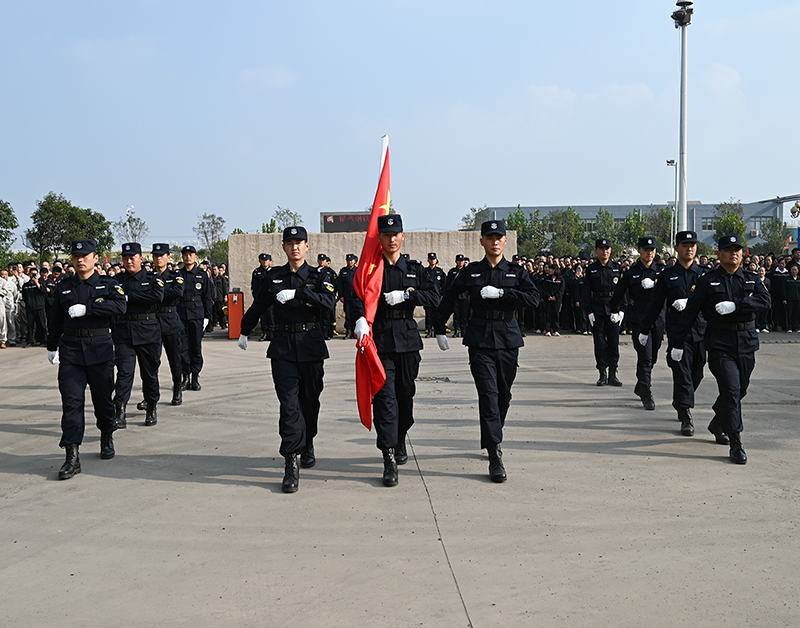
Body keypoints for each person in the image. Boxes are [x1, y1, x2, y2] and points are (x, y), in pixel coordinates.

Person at [435, 219, 539, 482]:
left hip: (508, 339)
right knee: (489, 396)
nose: (494, 242)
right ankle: (494, 452)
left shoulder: (517, 272)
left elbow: (533, 298)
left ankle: (495, 433)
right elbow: (449, 297)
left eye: (498, 237)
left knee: (504, 395)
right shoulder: (471, 272)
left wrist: (503, 294)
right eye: (489, 237)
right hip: (480, 339)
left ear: (505, 241)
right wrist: (439, 328)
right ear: (481, 241)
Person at [238, 226, 336, 493]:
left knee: (310, 402)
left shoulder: (319, 275)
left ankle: (309, 441)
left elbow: (328, 302)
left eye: (299, 243)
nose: (294, 247)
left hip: (311, 346)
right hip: (282, 349)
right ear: (283, 247)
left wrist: (300, 293)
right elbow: (259, 305)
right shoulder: (274, 277)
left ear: (307, 246)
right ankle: (291, 460)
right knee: (289, 406)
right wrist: (244, 330)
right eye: (289, 243)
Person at [353, 215, 440, 487]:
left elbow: (435, 297)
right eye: (386, 234)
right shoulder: (371, 270)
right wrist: (358, 320)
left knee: (405, 398)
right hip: (379, 343)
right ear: (378, 238)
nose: (391, 239)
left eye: (396, 234)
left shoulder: (414, 269)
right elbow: (357, 295)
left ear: (403, 237)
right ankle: (388, 456)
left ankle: (401, 437)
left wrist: (406, 295)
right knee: (385, 401)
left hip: (407, 341)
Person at [670, 235, 770, 463]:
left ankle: (717, 422)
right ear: (719, 253)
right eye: (728, 249)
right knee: (732, 389)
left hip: (746, 343)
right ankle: (736, 442)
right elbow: (690, 312)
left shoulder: (752, 279)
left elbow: (766, 302)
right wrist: (677, 343)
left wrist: (738, 305)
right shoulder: (707, 280)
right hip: (719, 343)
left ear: (742, 253)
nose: (733, 253)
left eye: (737, 249)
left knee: (740, 389)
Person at [46, 239, 127, 480]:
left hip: (100, 350)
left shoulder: (108, 285)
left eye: (85, 255)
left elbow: (120, 307)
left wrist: (88, 309)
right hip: (71, 351)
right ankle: (72, 455)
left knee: (103, 401)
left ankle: (106, 435)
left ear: (95, 258)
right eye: (75, 256)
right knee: (71, 403)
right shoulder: (63, 287)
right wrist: (52, 346)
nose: (80, 259)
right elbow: (56, 320)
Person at [640, 231, 708, 435]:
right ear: (676, 248)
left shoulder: (705, 274)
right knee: (683, 374)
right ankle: (686, 413)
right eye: (685, 245)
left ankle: (680, 400)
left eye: (693, 245)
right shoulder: (667, 276)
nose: (689, 248)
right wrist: (644, 330)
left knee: (697, 373)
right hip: (679, 333)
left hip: (701, 331)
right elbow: (654, 305)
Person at [112, 243, 165, 428]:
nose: (128, 261)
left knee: (149, 373)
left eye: (132, 258)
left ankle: (151, 406)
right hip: (124, 331)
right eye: (125, 258)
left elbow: (157, 296)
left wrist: (128, 297)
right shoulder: (117, 280)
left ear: (141, 259)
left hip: (148, 331)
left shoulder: (152, 278)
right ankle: (120, 410)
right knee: (124, 373)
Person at [610, 236, 664, 410]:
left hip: (658, 317)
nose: (650, 253)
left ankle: (641, 384)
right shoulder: (631, 272)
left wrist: (655, 285)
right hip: (639, 317)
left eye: (652, 250)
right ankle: (646, 391)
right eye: (646, 250)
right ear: (639, 251)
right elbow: (618, 294)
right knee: (645, 356)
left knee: (653, 355)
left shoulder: (662, 271)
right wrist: (615, 311)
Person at [137, 243, 186, 408]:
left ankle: (177, 389)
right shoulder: (147, 276)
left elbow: (178, 292)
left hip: (170, 320)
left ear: (168, 257)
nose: (158, 258)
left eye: (162, 255)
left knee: (175, 359)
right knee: (150, 362)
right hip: (151, 321)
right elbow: (142, 295)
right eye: (155, 255)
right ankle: (149, 396)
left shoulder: (175, 275)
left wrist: (155, 294)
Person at [587, 239, 625, 386]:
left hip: (613, 309)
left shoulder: (616, 268)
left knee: (614, 343)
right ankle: (602, 373)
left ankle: (613, 374)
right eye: (601, 249)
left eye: (607, 248)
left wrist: (622, 309)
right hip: (597, 309)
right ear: (596, 250)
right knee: (600, 343)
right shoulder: (592, 269)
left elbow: (623, 290)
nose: (605, 251)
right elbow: (586, 291)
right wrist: (588, 311)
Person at [178, 245, 212, 391]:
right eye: (185, 254)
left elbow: (207, 296)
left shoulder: (202, 275)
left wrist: (208, 317)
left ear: (196, 257)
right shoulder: (178, 274)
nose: (188, 257)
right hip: (181, 315)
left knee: (196, 348)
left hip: (197, 315)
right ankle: (185, 377)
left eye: (191, 254)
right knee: (183, 348)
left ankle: (195, 378)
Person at [421, 253, 447, 338]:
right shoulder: (424, 271)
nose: (432, 260)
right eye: (430, 259)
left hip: (437, 296)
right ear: (428, 260)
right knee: (428, 314)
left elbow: (444, 284)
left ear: (436, 260)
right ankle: (429, 331)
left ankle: (436, 331)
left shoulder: (440, 271)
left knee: (436, 314)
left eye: (434, 259)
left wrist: (443, 295)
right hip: (428, 295)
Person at [21, 266, 48, 346]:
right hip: (30, 308)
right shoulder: (25, 285)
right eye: (32, 274)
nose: (33, 275)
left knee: (42, 325)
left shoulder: (41, 283)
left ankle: (44, 340)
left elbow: (44, 291)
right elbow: (24, 297)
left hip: (40, 307)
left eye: (35, 274)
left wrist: (37, 283)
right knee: (30, 326)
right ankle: (29, 341)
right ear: (29, 274)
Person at [251, 253, 275, 341]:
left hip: (271, 299)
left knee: (272, 316)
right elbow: (254, 286)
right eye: (263, 260)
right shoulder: (257, 272)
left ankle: (272, 333)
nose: (265, 262)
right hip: (261, 299)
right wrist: (256, 297)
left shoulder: (273, 272)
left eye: (267, 260)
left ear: (270, 262)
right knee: (263, 317)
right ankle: (264, 333)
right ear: (260, 261)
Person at [446, 254, 469, 337]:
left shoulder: (467, 271)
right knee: (456, 313)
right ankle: (456, 330)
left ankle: (463, 330)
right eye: (459, 260)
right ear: (456, 261)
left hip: (464, 295)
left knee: (464, 313)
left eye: (462, 260)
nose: (461, 262)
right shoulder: (452, 271)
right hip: (455, 296)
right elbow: (448, 284)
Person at [337, 254, 358, 339]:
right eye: (348, 260)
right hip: (347, 296)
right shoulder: (343, 271)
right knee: (348, 314)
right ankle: (349, 331)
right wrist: (341, 295)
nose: (350, 262)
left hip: (356, 295)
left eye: (351, 260)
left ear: (354, 261)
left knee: (356, 313)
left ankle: (355, 332)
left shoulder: (358, 270)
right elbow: (340, 285)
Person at [782, 263, 800, 332]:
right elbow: (784, 290)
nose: (794, 271)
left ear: (798, 270)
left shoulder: (799, 279)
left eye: (795, 270)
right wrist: (784, 298)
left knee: (797, 313)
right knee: (789, 314)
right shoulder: (786, 279)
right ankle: (789, 327)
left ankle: (796, 327)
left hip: (798, 299)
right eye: (792, 270)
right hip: (789, 299)